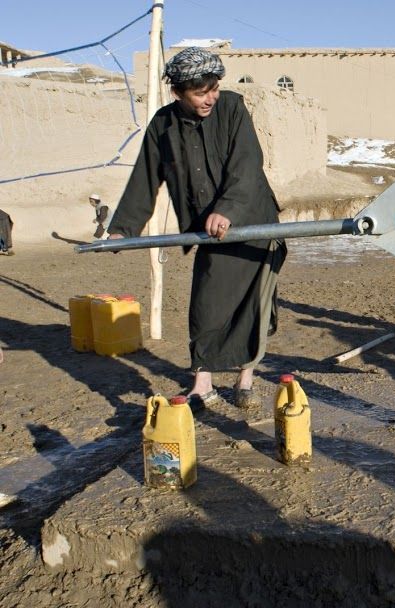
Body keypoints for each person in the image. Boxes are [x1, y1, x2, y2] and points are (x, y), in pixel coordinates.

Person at [107, 47, 286, 411]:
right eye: (201, 92)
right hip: (207, 230)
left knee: (253, 302)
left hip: (252, 219)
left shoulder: (232, 108)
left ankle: (245, 376)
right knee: (206, 303)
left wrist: (227, 209)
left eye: (214, 88)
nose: (211, 98)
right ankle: (202, 383)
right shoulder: (163, 125)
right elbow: (145, 177)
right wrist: (123, 228)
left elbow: (247, 163)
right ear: (179, 92)